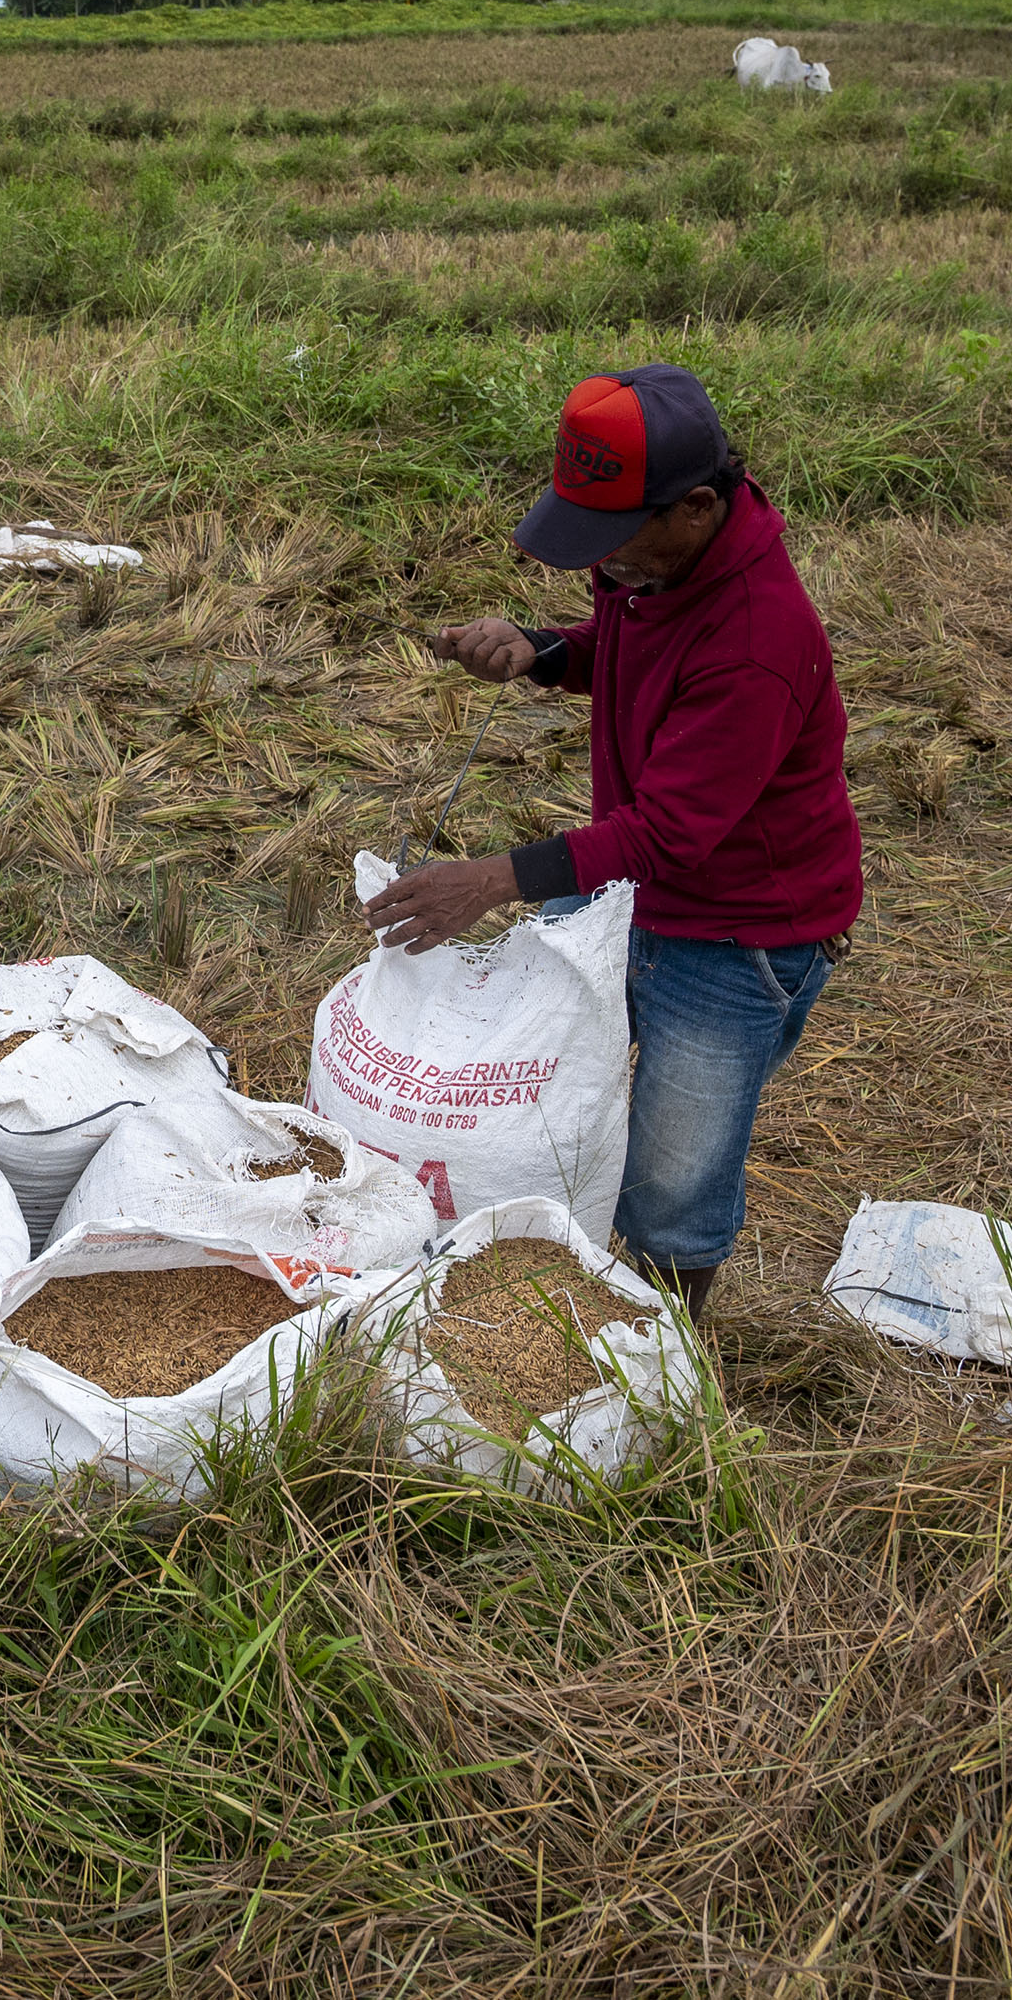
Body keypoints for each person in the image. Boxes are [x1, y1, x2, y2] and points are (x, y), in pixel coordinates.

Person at [363, 365, 862, 1318]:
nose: (603, 565)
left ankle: (664, 1357)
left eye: (612, 543)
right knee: (554, 1087)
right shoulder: (658, 566)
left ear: (697, 508)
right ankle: (560, 1286)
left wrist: (496, 879)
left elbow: (671, 833)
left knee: (672, 1182)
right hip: (637, 891)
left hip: (737, 939)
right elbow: (627, 642)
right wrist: (545, 649)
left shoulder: (758, 637)